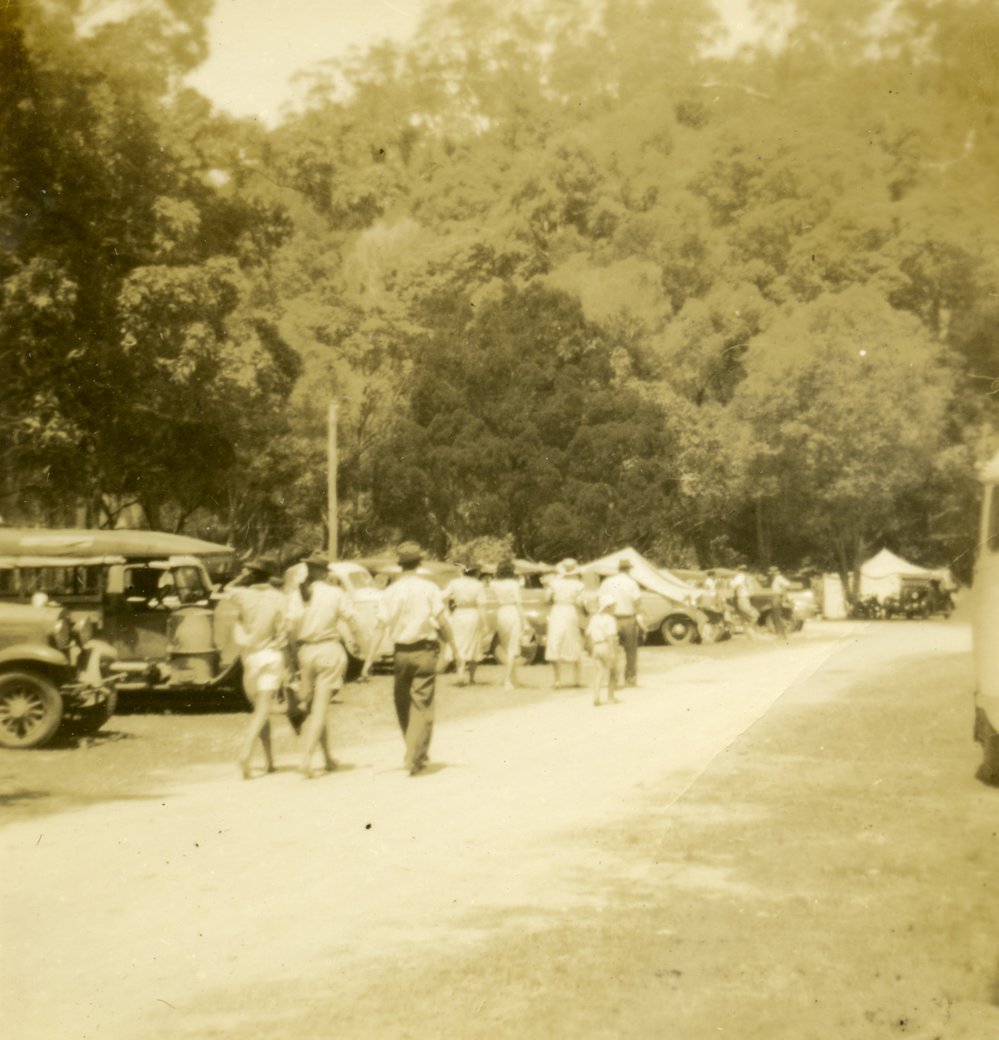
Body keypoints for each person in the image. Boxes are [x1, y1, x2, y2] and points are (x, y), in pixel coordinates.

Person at [360, 542, 461, 776]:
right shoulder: (429, 589)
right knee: (422, 705)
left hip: (400, 654)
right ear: (419, 563)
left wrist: (368, 661)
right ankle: (416, 753)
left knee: (403, 704)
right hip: (424, 651)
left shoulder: (389, 592)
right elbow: (442, 621)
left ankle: (414, 750)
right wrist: (454, 647)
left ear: (400, 564)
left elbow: (379, 627)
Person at [290, 562, 366, 778]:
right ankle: (306, 758)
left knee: (316, 707)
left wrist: (293, 653)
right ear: (324, 573)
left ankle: (327, 757)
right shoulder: (334, 593)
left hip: (305, 652)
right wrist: (360, 642)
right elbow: (353, 618)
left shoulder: (298, 594)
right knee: (320, 708)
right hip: (328, 651)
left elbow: (290, 627)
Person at [229, 556, 289, 779]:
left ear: (252, 576)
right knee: (263, 710)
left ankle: (269, 761)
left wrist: (243, 577)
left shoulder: (243, 595)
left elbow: (228, 588)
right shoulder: (279, 598)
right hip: (271, 655)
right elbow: (283, 632)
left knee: (260, 710)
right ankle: (246, 751)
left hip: (250, 658)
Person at [598, 557, 642, 686]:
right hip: (627, 617)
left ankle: (613, 679)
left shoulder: (608, 582)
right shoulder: (631, 582)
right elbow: (637, 601)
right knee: (631, 650)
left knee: (612, 649)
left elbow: (599, 598)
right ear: (628, 569)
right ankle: (630, 678)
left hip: (611, 618)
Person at [442, 563, 487, 685]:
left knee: (459, 643)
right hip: (473, 614)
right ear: (475, 572)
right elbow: (481, 605)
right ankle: (472, 678)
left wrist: (446, 610)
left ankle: (460, 675)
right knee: (473, 644)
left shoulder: (455, 583)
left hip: (459, 614)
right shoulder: (478, 585)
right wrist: (485, 623)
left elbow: (443, 596)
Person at [546, 558, 586, 688]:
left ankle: (557, 680)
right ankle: (576, 679)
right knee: (573, 641)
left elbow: (546, 598)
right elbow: (580, 602)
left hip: (557, 611)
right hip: (570, 611)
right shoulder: (578, 584)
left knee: (555, 642)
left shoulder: (554, 583)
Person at [491, 558, 526, 690]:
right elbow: (519, 603)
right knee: (512, 648)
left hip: (501, 612)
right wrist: (524, 621)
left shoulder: (494, 584)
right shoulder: (513, 584)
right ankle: (508, 680)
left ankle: (513, 678)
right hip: (512, 611)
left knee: (506, 647)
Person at [585, 594, 622, 706]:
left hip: (596, 646)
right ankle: (610, 696)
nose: (615, 607)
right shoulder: (610, 619)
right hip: (606, 645)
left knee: (599, 671)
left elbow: (588, 634)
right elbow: (611, 636)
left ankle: (596, 696)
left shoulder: (594, 618)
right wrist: (612, 652)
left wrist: (590, 648)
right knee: (613, 671)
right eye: (613, 606)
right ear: (608, 607)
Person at [731, 563, 758, 639]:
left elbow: (733, 584)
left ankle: (750, 634)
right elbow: (734, 585)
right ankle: (751, 633)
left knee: (747, 617)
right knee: (754, 616)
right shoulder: (741, 577)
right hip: (743, 598)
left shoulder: (742, 577)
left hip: (745, 598)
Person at [768, 566, 791, 637]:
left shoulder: (779, 578)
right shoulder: (775, 579)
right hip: (775, 596)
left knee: (777, 615)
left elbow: (787, 584)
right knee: (776, 615)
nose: (772, 574)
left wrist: (782, 593)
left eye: (773, 572)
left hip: (777, 596)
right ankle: (780, 633)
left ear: (777, 572)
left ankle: (781, 634)